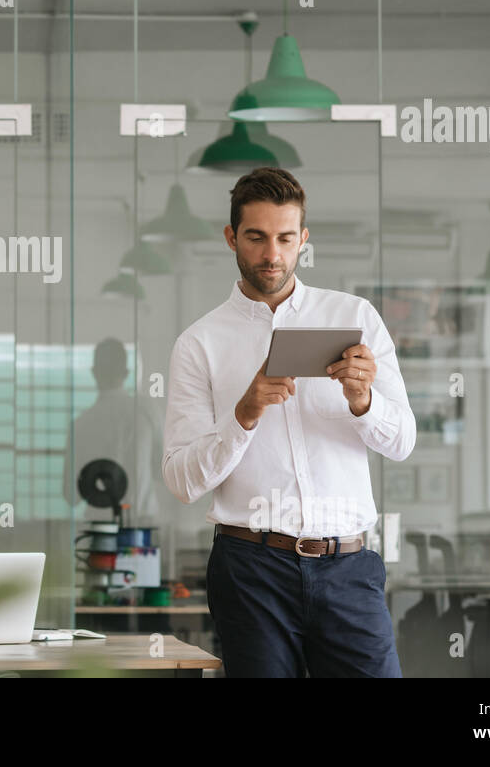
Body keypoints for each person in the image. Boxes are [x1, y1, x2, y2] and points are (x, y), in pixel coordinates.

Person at [162, 167, 416, 677]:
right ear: (232, 237)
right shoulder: (200, 343)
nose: (271, 255)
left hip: (348, 568)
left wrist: (364, 400)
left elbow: (403, 442)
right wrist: (244, 414)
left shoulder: (356, 317)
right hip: (250, 570)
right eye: (256, 237)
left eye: (284, 238)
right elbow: (181, 481)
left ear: (303, 239)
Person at [65, 337, 162, 523]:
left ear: (94, 372)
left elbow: (71, 495)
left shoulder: (80, 424)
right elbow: (162, 470)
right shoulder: (146, 410)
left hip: (99, 527)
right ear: (126, 373)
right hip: (141, 525)